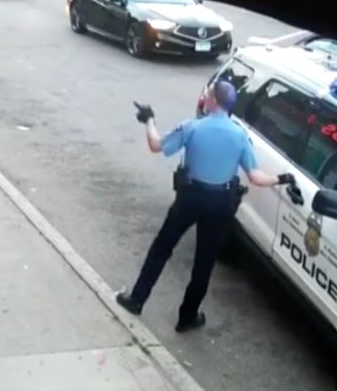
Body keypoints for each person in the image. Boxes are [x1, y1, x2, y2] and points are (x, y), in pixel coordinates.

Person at [115, 81, 295, 332]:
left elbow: (156, 145)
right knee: (204, 263)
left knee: (162, 248)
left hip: (190, 198)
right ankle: (187, 317)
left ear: (213, 101)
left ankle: (136, 300)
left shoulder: (192, 128)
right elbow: (256, 177)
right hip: (220, 203)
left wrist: (149, 120)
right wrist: (282, 179)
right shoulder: (240, 136)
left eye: (209, 96)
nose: (206, 99)